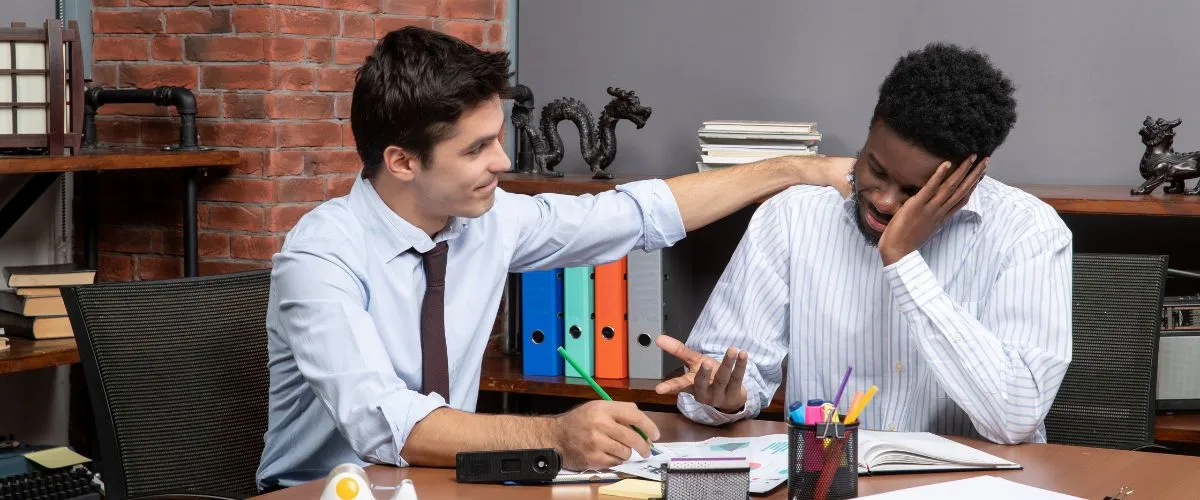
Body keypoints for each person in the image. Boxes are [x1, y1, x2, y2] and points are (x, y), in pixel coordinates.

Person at [255, 26, 852, 489]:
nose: (500, 162)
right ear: (403, 162)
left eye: (497, 138)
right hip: (327, 492)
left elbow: (638, 213)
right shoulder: (321, 257)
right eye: (477, 148)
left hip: (445, 487)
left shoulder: (487, 219)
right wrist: (555, 434)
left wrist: (798, 169)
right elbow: (382, 426)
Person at [656, 42, 1073, 445]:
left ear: (971, 177)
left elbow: (1016, 418)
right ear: (870, 132)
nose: (884, 200)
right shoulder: (791, 217)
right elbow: (722, 374)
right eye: (876, 168)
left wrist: (903, 260)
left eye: (915, 190)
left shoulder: (1028, 232)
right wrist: (725, 400)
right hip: (826, 482)